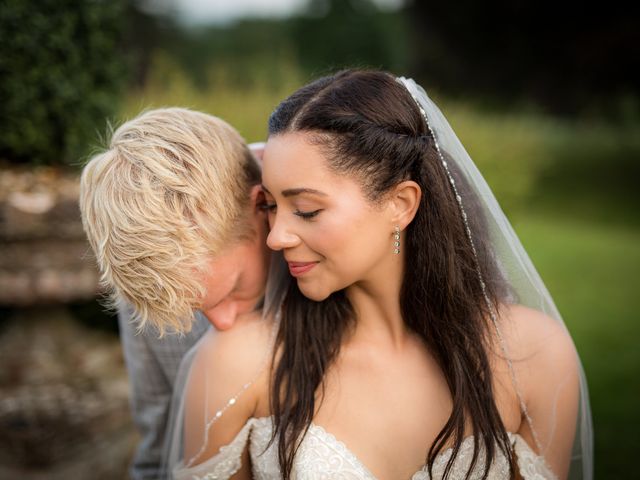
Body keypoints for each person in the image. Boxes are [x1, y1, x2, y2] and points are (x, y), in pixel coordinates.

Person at [166, 70, 593, 480]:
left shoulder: (533, 357)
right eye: (272, 206)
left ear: (400, 204)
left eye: (307, 210)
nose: (276, 237)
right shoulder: (240, 363)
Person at [78, 108, 273, 480]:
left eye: (232, 289)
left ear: (261, 205)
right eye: (195, 310)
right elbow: (158, 441)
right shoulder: (149, 275)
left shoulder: (328, 237)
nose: (222, 322)